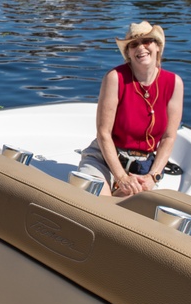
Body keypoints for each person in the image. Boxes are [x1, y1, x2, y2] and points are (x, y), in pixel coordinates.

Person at [77, 21, 184, 197]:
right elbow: (103, 133)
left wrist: (153, 176)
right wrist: (121, 177)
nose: (140, 47)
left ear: (157, 46)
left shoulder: (174, 83)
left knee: (132, 209)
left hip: (142, 167)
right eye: (134, 45)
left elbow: (169, 137)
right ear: (128, 53)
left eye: (146, 41)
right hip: (104, 158)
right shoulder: (115, 78)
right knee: (99, 204)